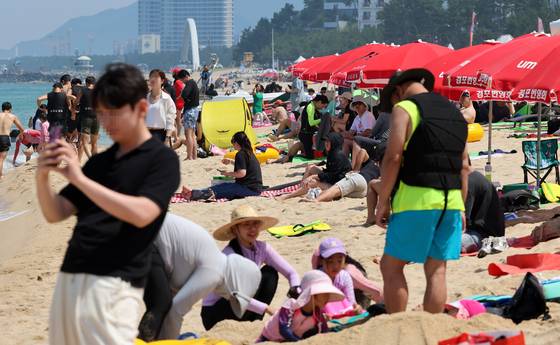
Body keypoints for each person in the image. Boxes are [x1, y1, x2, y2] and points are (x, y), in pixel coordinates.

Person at [36, 63, 180, 345]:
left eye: (115, 113)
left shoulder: (161, 160)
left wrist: (79, 179)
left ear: (140, 109)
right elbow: (56, 213)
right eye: (102, 113)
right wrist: (42, 178)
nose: (107, 123)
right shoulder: (101, 162)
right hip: (70, 277)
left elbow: (143, 214)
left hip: (115, 283)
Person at [375, 68, 469, 314]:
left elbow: (393, 157)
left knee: (391, 266)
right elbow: (465, 166)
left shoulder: (405, 109)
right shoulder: (455, 113)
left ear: (398, 91)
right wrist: (462, 206)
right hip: (451, 202)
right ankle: (431, 327)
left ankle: (399, 327)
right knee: (437, 270)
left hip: (416, 199)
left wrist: (383, 201)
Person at [138, 213, 262, 341]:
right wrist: (171, 342)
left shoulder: (214, 261)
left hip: (146, 230)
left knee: (162, 302)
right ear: (235, 281)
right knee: (160, 303)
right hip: (144, 233)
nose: (227, 297)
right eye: (233, 296)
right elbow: (176, 311)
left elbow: (172, 302)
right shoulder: (214, 272)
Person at [201, 205, 301, 330]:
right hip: (217, 311)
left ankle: (254, 322)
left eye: (255, 224)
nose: (252, 229)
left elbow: (291, 273)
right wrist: (269, 309)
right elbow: (236, 296)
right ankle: (253, 320)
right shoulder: (229, 255)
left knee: (270, 273)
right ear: (235, 230)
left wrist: (295, 293)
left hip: (243, 305)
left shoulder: (262, 248)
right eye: (246, 225)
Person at [257, 270, 344, 343]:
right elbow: (284, 329)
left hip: (288, 340)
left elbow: (324, 329)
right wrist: (300, 342)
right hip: (268, 338)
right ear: (313, 294)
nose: (328, 297)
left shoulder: (317, 311)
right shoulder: (291, 305)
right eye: (325, 293)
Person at [182, 131, 263, 201]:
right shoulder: (249, 152)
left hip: (249, 189)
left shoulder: (240, 154)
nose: (232, 144)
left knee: (221, 188)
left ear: (237, 143)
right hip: (256, 188)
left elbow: (242, 173)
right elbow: (246, 167)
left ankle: (192, 194)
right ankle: (195, 192)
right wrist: (231, 162)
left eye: (232, 142)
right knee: (222, 186)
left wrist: (226, 173)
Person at [311, 238, 383, 308]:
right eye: (330, 261)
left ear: (344, 259)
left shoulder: (349, 275)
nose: (335, 266)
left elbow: (378, 292)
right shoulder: (317, 271)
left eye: (339, 261)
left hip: (356, 282)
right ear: (321, 261)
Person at [277, 132, 350, 201]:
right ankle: (301, 188)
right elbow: (329, 171)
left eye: (328, 142)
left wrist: (315, 176)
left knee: (312, 182)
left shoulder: (338, 156)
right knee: (311, 167)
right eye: (326, 141)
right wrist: (317, 175)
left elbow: (334, 176)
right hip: (332, 179)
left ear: (334, 143)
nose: (326, 143)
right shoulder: (332, 153)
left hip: (337, 185)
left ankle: (289, 196)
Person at [461, 167, 505, 254]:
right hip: (492, 232)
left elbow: (462, 223)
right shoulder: (474, 177)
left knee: (441, 242)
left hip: (482, 235)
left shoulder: (468, 183)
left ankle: (470, 245)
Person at [312, 160, 380, 203]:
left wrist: (356, 168)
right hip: (364, 191)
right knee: (336, 191)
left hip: (360, 178)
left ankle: (317, 200)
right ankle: (317, 193)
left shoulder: (371, 162)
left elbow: (362, 151)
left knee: (336, 189)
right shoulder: (383, 170)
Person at [146, 69, 176, 143]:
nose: (153, 79)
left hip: (160, 135)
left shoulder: (166, 98)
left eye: (156, 77)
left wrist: (167, 138)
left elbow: (170, 120)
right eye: (151, 77)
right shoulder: (145, 98)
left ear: (162, 81)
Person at [298, 95, 329, 159]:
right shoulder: (310, 107)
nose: (322, 108)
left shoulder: (314, 106)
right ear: (319, 102)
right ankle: (302, 149)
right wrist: (322, 119)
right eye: (323, 106)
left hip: (311, 133)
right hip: (306, 135)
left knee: (322, 153)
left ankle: (304, 149)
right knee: (310, 157)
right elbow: (311, 123)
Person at [0, 102, 25, 178]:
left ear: (2, 108)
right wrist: (20, 135)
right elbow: (22, 129)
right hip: (4, 138)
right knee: (1, 158)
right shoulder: (13, 116)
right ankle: (0, 175)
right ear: (10, 109)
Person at [77, 76, 99, 160]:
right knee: (94, 143)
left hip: (86, 117)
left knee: (85, 142)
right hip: (97, 117)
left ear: (86, 83)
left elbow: (77, 101)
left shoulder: (82, 90)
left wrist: (74, 107)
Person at [181, 70, 200, 160]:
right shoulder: (194, 83)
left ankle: (189, 156)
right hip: (195, 110)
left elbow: (184, 94)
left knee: (188, 134)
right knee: (192, 135)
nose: (182, 81)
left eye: (182, 79)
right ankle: (194, 156)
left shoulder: (189, 83)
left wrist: (185, 97)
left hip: (190, 111)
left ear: (185, 76)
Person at [173, 70, 188, 139]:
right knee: (177, 119)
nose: (172, 74)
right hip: (180, 102)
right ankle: (178, 134)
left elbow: (183, 89)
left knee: (177, 120)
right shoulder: (179, 81)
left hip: (178, 103)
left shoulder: (177, 82)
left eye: (173, 73)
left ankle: (178, 135)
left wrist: (178, 97)